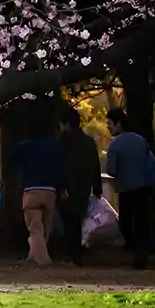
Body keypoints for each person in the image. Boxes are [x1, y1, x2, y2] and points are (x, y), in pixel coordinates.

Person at [105, 109, 155, 270]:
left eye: (109, 124)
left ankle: (134, 248)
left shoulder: (115, 145)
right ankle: (143, 251)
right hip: (144, 187)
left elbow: (111, 170)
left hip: (126, 189)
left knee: (126, 223)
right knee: (142, 222)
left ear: (118, 123)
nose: (107, 127)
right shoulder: (141, 140)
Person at [13, 113, 66, 266]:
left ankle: (43, 260)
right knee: (45, 228)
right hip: (50, 190)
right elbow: (60, 168)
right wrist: (62, 187)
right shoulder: (55, 147)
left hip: (31, 190)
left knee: (35, 228)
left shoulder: (22, 147)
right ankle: (33, 256)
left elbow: (15, 164)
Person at [58, 106, 104, 265]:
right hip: (84, 186)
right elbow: (95, 164)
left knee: (68, 220)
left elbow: (61, 165)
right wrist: (97, 187)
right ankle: (76, 252)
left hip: (67, 186)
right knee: (77, 218)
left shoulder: (62, 141)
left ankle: (72, 252)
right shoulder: (88, 142)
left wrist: (61, 185)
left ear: (66, 124)